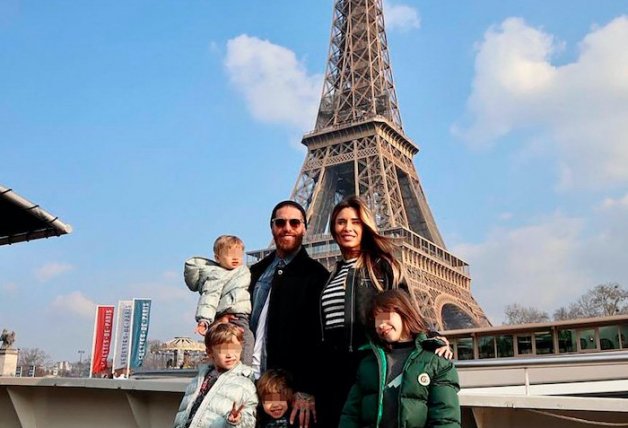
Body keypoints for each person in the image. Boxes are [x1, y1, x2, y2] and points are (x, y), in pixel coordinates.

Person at [316, 196, 452, 427]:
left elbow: (406, 310)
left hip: (371, 366)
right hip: (333, 372)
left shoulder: (383, 267)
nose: (347, 227)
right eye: (341, 222)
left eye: (355, 222)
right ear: (333, 228)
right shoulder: (331, 275)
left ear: (366, 227)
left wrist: (432, 337)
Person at [249, 201, 329, 428]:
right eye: (280, 222)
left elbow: (320, 339)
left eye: (295, 222)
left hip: (288, 393)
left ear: (304, 228)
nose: (287, 228)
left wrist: (307, 388)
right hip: (250, 385)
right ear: (272, 227)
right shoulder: (255, 273)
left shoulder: (316, 276)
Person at [339, 290, 461, 427]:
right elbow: (350, 416)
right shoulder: (368, 364)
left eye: (384, 316)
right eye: (375, 321)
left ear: (403, 311)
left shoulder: (437, 362)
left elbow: (445, 421)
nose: (380, 325)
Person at [184, 235, 254, 366]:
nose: (235, 258)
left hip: (239, 314)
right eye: (230, 254)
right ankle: (243, 370)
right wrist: (204, 320)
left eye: (239, 255)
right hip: (234, 316)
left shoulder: (240, 271)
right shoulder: (217, 275)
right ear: (217, 258)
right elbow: (209, 297)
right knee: (246, 340)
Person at [173, 322, 258, 428]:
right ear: (210, 352)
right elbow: (183, 414)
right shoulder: (198, 379)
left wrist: (237, 420)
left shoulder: (245, 383)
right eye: (223, 350)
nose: (230, 355)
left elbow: (250, 421)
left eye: (234, 349)